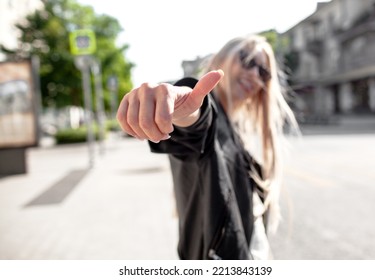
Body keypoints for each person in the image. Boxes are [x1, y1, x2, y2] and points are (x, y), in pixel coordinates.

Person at [117, 34, 298, 260]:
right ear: (219, 60)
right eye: (247, 60)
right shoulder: (211, 116)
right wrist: (182, 107)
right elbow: (197, 124)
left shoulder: (235, 129)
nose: (254, 74)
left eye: (263, 72)